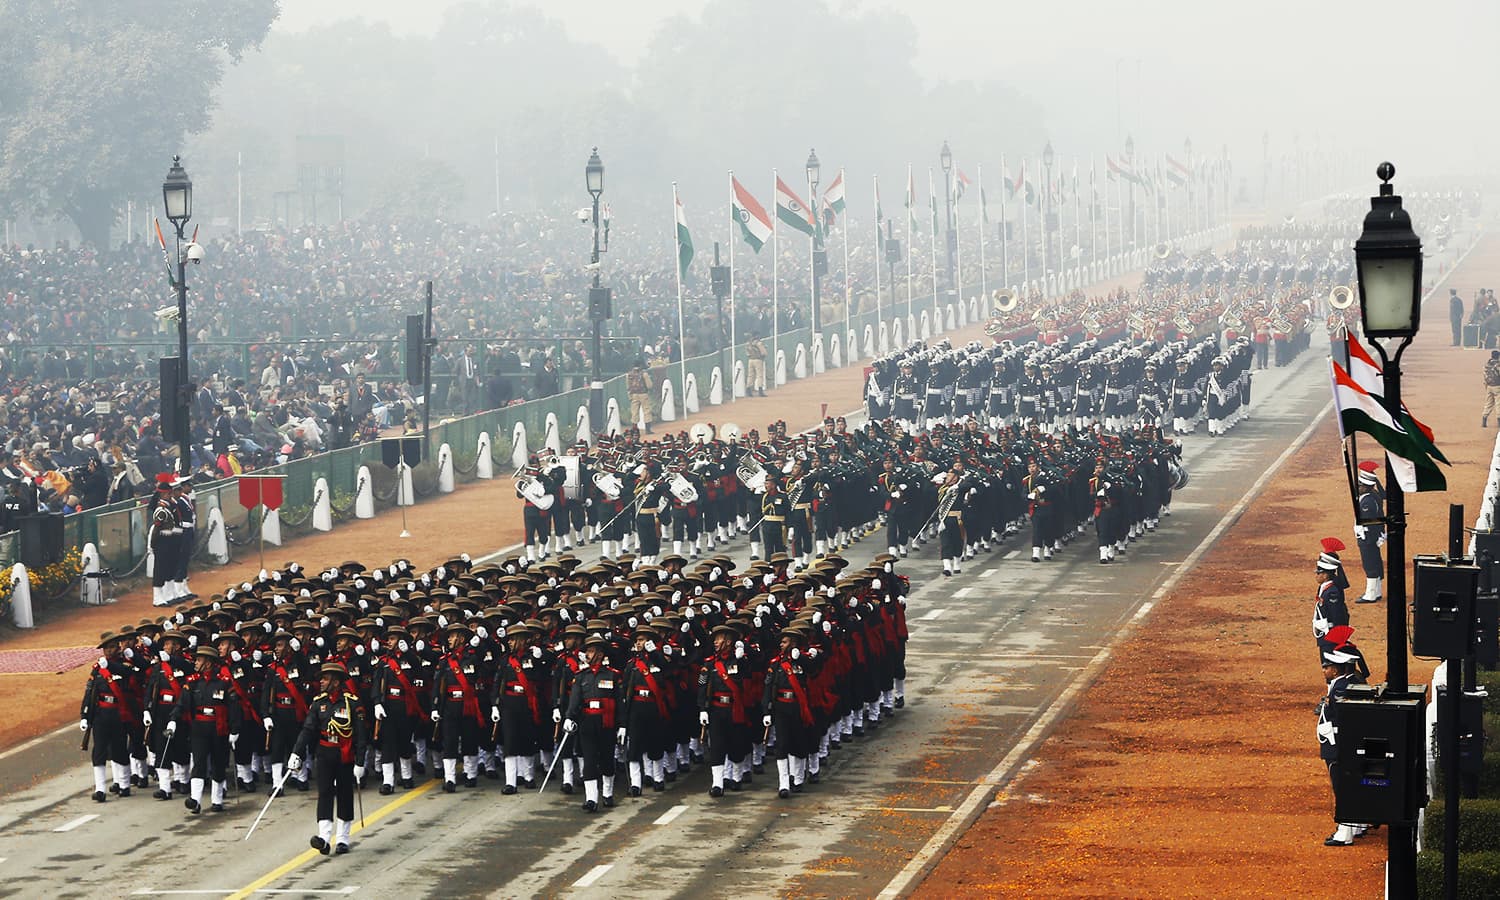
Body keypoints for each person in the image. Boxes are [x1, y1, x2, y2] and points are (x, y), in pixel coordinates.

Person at [287, 661, 368, 855]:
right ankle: (324, 838)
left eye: (325, 678)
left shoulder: (352, 702)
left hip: (344, 754)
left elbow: (361, 735)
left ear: (336, 681)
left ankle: (343, 838)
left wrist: (360, 762)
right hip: (324, 752)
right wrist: (296, 752)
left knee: (344, 794)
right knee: (324, 793)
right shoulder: (319, 703)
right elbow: (308, 729)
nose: (321, 682)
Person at [1317, 642, 1367, 846]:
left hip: (1337, 744)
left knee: (1342, 787)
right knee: (1351, 785)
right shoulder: (1353, 681)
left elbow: (1338, 716)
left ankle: (1344, 833)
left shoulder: (1340, 687)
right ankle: (1356, 824)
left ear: (1336, 668)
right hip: (1348, 743)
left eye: (1327, 667)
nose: (1325, 670)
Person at [80, 630, 136, 801]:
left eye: (112, 647)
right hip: (101, 714)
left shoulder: (124, 664)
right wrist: (84, 714)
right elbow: (90, 692)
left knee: (119, 749)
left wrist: (109, 666)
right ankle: (100, 789)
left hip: (119, 713)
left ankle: (124, 784)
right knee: (99, 750)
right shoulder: (97, 669)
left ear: (118, 648)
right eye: (106, 648)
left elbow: (128, 673)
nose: (110, 651)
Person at [1353, 462, 1385, 604]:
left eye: (1359, 485)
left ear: (1366, 486)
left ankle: (1370, 594)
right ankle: (1376, 591)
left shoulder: (1367, 502)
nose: (1357, 488)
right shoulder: (1373, 496)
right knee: (1375, 563)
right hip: (1371, 537)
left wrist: (1371, 538)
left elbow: (1370, 523)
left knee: (1370, 565)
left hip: (1368, 538)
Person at [626, 359, 654, 434]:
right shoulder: (644, 374)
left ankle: (635, 429)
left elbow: (628, 386)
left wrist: (630, 395)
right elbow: (649, 385)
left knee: (634, 412)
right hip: (643, 394)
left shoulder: (629, 374)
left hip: (634, 395)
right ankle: (648, 429)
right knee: (646, 411)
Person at [1482, 350, 1500, 428]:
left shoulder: (1487, 364)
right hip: (1497, 386)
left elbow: (1484, 375)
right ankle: (1499, 421)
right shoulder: (1498, 365)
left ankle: (1484, 419)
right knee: (1498, 403)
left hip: (1489, 386)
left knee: (1488, 403)